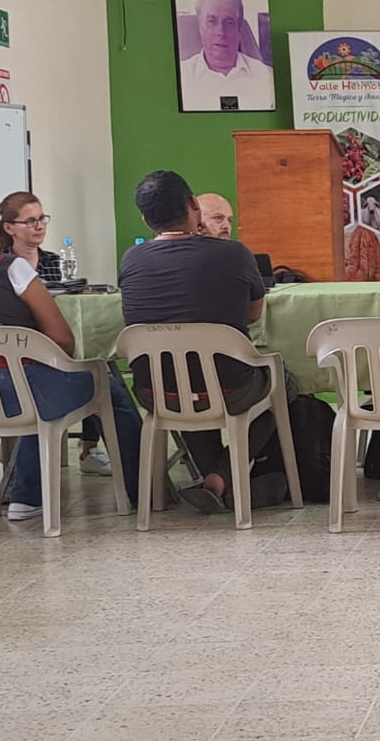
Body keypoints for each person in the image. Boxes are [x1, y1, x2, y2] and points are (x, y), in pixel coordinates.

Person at [0, 183, 142, 521]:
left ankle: (26, 497)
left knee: (34, 393)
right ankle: (143, 491)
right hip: (17, 389)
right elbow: (63, 340)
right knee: (103, 388)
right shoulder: (9, 267)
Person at [119, 170, 292, 514]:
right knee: (282, 383)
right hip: (230, 387)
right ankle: (222, 477)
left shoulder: (131, 258)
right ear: (194, 206)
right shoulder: (234, 254)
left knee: (185, 386)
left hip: (156, 390)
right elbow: (252, 314)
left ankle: (216, 483)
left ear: (145, 220)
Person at [0, 191, 114, 477]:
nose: (39, 226)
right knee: (92, 376)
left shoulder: (54, 261)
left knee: (95, 362)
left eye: (42, 219)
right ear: (9, 227)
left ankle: (90, 449)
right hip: (19, 348)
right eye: (30, 221)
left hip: (58, 338)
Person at [178, 0, 274, 112]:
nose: (221, 32)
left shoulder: (267, 77)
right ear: (200, 27)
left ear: (239, 30)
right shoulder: (181, 77)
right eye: (211, 21)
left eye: (229, 23)